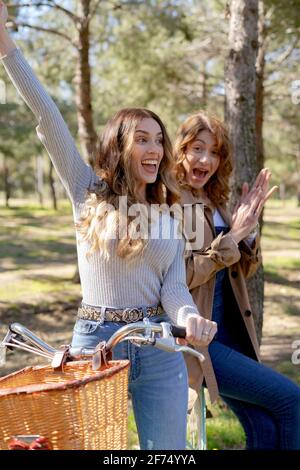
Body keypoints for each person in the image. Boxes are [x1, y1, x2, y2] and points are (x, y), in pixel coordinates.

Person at [0, 2, 217, 450]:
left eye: (158, 139)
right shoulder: (86, 190)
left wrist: (191, 318)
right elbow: (47, 117)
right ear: (119, 147)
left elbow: (174, 289)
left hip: (158, 346)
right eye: (142, 139)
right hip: (95, 345)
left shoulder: (167, 217)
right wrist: (7, 48)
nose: (155, 148)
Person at [174, 110, 300, 450]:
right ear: (181, 149)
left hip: (233, 334)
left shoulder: (215, 200)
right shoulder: (170, 201)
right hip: (201, 339)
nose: (206, 159)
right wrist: (233, 236)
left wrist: (248, 233)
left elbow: (240, 272)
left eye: (214, 152)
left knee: (266, 427)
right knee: (293, 403)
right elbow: (178, 277)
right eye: (197, 148)